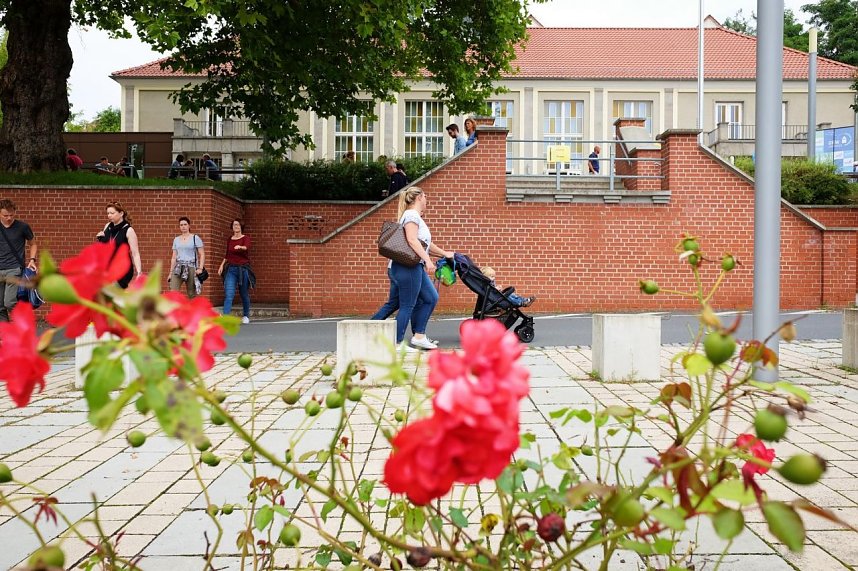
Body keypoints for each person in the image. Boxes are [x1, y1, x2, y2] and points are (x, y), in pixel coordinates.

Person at [371, 187, 453, 350]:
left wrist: (444, 253)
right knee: (408, 304)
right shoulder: (412, 215)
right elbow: (412, 240)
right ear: (419, 197)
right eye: (425, 196)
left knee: (429, 297)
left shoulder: (414, 217)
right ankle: (397, 342)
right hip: (408, 266)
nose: (427, 200)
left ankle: (418, 336)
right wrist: (428, 260)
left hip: (412, 266)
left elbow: (425, 243)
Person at [0, 199, 37, 322]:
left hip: (14, 269)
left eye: (11, 215)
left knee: (9, 302)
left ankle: (23, 325)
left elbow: (33, 244)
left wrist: (32, 260)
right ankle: (4, 335)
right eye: (5, 215)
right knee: (0, 306)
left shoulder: (23, 227)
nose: (9, 218)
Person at [96, 201, 142, 289]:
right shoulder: (107, 226)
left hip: (122, 268)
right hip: (107, 267)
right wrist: (100, 238)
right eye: (108, 213)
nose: (109, 215)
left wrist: (139, 272)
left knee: (114, 292)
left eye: (112, 213)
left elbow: (135, 253)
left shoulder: (129, 230)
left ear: (121, 213)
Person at [218, 219, 252, 324]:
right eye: (234, 225)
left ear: (241, 226)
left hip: (243, 269)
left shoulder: (245, 238)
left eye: (237, 225)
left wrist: (240, 247)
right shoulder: (230, 239)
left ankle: (246, 316)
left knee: (244, 294)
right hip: (231, 269)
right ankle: (226, 317)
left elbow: (246, 248)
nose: (236, 226)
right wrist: (221, 265)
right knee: (229, 293)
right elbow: (227, 255)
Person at [169, 217, 205, 298]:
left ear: (189, 225)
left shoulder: (195, 238)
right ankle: (175, 310)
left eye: (185, 224)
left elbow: (202, 254)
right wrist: (170, 272)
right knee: (173, 291)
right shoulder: (176, 239)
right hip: (178, 267)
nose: (183, 226)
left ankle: (193, 310)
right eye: (181, 225)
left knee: (191, 293)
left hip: (191, 267)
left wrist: (200, 268)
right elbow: (174, 257)